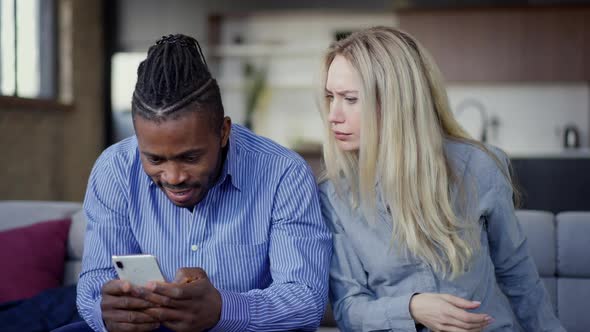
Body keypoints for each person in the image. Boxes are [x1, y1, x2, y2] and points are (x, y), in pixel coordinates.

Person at [63, 34, 331, 332]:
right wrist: (106, 312)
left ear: (223, 131)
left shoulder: (283, 173)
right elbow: (95, 281)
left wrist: (223, 309)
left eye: (190, 158)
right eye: (155, 160)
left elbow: (306, 300)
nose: (174, 177)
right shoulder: (114, 169)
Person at [318, 26, 564, 332]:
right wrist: (411, 308)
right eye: (331, 97)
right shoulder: (335, 196)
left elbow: (518, 275)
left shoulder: (480, 166)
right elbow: (348, 308)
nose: (333, 114)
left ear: (396, 100)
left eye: (350, 99)